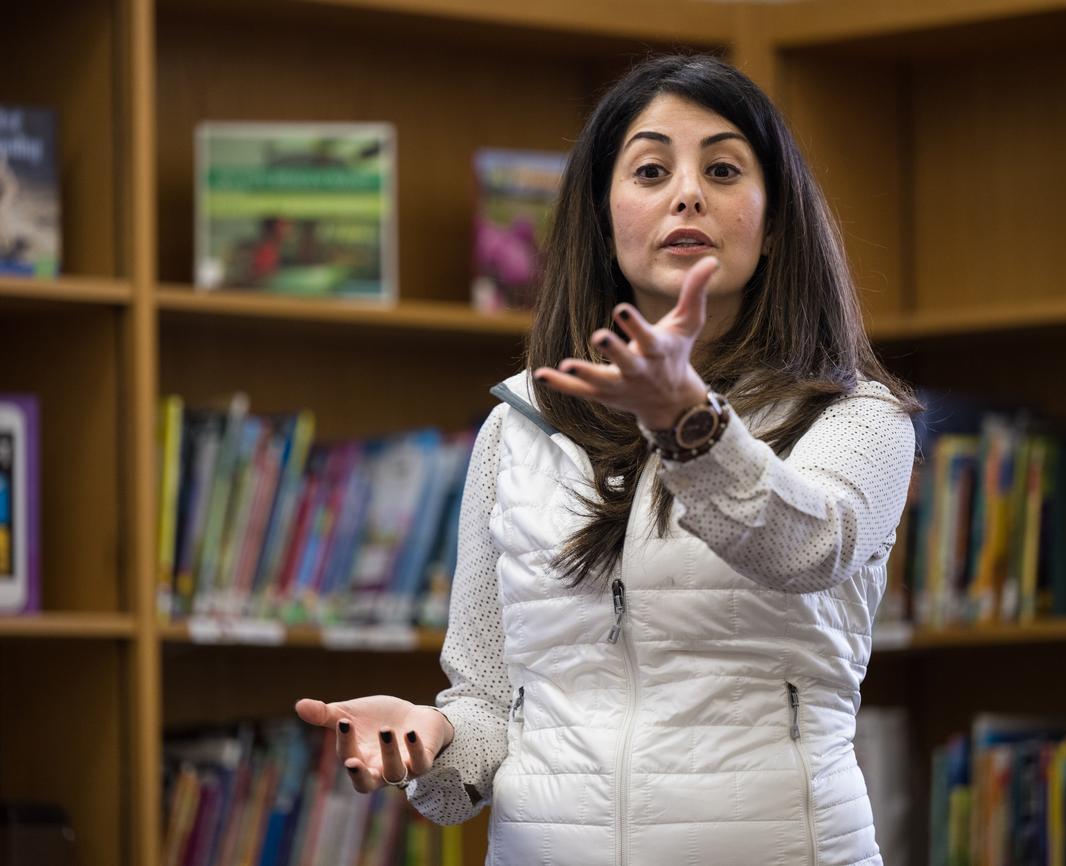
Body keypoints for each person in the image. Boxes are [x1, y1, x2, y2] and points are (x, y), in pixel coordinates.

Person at [296, 53, 918, 866]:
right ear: (604, 217)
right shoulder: (517, 427)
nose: (688, 192)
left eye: (724, 169)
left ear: (773, 226)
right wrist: (432, 738)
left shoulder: (854, 416)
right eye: (652, 169)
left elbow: (808, 547)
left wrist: (686, 421)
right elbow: (490, 708)